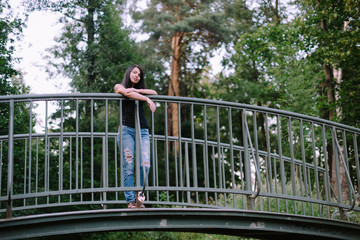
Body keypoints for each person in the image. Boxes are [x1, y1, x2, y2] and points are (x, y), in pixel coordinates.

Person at [114, 65, 157, 208]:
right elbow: (125, 93)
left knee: (145, 164)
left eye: (139, 74)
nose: (137, 75)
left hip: (143, 130)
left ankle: (140, 198)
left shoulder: (139, 90)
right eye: (134, 72)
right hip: (127, 130)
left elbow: (155, 92)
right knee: (128, 165)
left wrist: (138, 90)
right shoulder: (118, 86)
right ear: (129, 73)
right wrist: (146, 99)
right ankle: (130, 201)